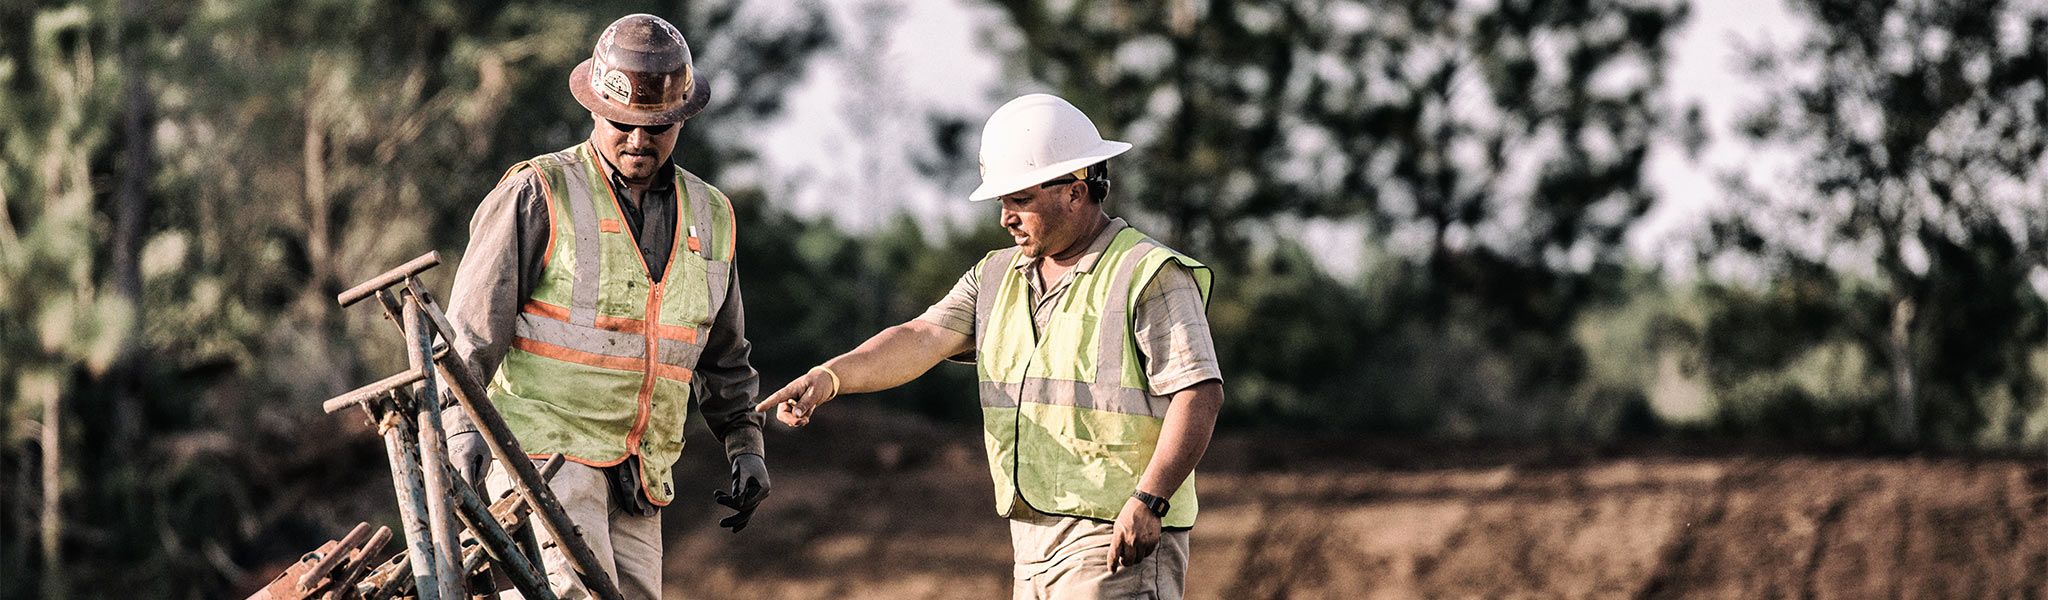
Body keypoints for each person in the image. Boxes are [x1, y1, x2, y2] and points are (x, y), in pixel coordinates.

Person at [756, 93, 1225, 599]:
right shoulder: (995, 275)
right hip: (1031, 545)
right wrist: (829, 377)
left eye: (1020, 199)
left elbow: (1199, 393)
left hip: (1113, 538)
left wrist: (1150, 499)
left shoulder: (1147, 273)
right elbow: (921, 338)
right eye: (1003, 201)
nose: (1006, 217)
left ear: (1075, 190)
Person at [439, 13, 769, 599]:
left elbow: (723, 356)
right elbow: (469, 336)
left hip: (640, 477)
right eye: (622, 124)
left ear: (682, 118)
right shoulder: (538, 191)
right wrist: (459, 435)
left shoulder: (712, 216)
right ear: (594, 108)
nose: (639, 141)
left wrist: (745, 443)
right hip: (543, 461)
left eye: (658, 126)